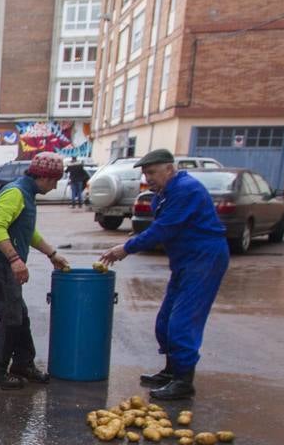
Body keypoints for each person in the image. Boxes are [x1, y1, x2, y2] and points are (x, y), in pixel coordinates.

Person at [98, 148, 228, 400]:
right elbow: (160, 226)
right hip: (184, 261)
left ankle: (183, 381)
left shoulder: (185, 189)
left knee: (183, 321)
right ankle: (171, 371)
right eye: (146, 173)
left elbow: (164, 229)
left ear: (170, 168)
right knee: (165, 319)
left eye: (153, 172)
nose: (149, 178)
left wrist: (125, 248)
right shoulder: (165, 193)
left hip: (203, 258)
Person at [0, 151, 71, 389]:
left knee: (20, 316)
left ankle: (23, 364)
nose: (56, 185)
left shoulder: (26, 193)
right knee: (11, 318)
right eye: (56, 180)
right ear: (47, 178)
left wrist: (52, 254)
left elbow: (28, 233)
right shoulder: (16, 192)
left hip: (1, 264)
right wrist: (15, 259)